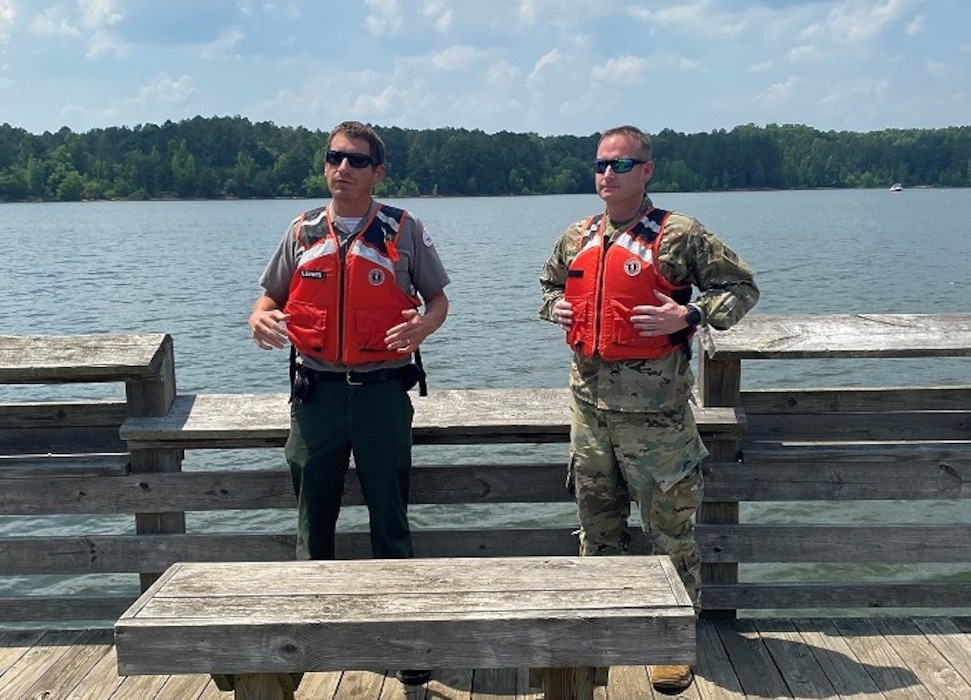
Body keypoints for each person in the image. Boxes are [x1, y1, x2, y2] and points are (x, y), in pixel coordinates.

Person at [538, 125, 758, 691]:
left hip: (657, 419)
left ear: (647, 171)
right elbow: (547, 287)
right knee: (597, 527)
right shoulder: (578, 234)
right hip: (589, 412)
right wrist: (556, 307)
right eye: (600, 165)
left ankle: (672, 642)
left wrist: (689, 317)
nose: (607, 175)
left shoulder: (678, 235)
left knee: (671, 532)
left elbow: (741, 290)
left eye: (621, 165)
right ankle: (603, 631)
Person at [248, 120, 450, 687]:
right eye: (335, 157)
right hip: (316, 396)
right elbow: (270, 296)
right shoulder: (302, 230)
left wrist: (422, 328)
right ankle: (311, 639)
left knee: (390, 518)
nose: (343, 168)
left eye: (357, 160)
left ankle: (404, 638)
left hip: (383, 394)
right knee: (314, 519)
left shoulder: (403, 230)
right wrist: (259, 316)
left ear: (377, 172)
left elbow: (437, 301)